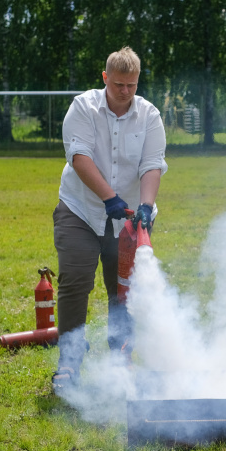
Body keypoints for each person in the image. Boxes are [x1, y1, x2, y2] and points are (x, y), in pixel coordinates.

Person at [52, 47, 167, 392]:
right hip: (81, 209)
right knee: (75, 282)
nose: (125, 92)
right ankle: (69, 364)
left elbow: (152, 164)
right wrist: (109, 197)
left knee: (124, 291)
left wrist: (145, 206)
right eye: (118, 85)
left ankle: (121, 362)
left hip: (129, 218)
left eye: (131, 85)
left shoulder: (149, 116)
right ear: (105, 78)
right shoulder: (83, 107)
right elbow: (79, 156)